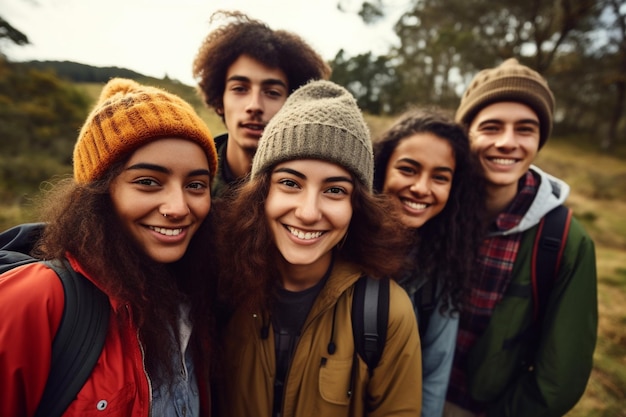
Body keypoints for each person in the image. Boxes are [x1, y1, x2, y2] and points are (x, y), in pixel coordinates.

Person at [0, 78, 219, 417]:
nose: (178, 207)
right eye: (148, 182)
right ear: (97, 194)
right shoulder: (35, 299)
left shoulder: (193, 299)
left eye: (196, 185)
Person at [212, 79, 422, 417]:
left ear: (358, 206)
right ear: (261, 194)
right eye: (290, 184)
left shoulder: (385, 312)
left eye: (335, 190)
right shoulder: (223, 286)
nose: (309, 212)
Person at [444, 58, 598, 417]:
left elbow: (559, 378)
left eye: (525, 129)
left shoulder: (564, 241)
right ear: (466, 134)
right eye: (491, 127)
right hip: (403, 397)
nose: (507, 143)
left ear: (539, 139)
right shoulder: (432, 207)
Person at [372, 108, 485, 417]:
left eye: (440, 177)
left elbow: (433, 373)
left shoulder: (445, 265)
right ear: (381, 169)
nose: (422, 188)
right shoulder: (338, 237)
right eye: (408, 169)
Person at [192, 10, 332, 197]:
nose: (255, 106)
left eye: (272, 93)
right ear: (219, 100)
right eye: (240, 89)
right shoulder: (190, 176)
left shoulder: (309, 190)